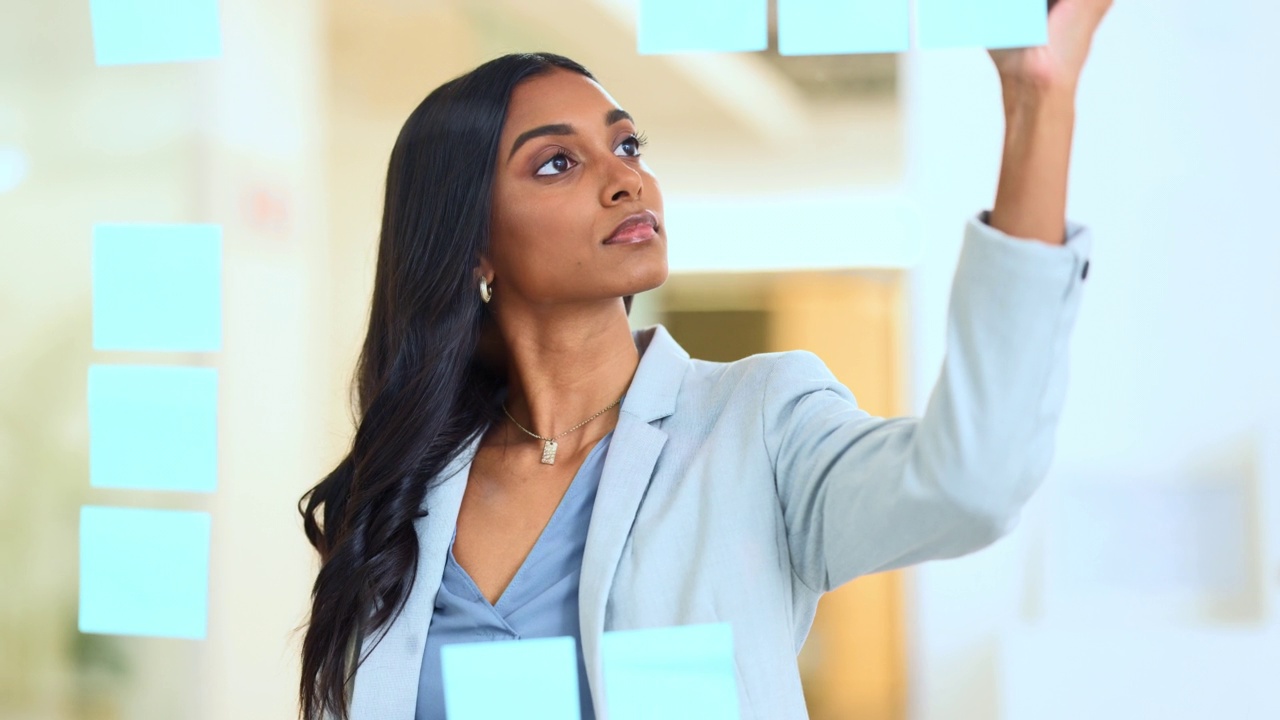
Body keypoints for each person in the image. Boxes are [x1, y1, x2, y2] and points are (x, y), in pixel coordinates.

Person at [297, 2, 1111, 718]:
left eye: (628, 145)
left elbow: (973, 483)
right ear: (473, 247)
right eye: (558, 162)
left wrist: (1039, 101)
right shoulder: (406, 492)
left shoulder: (758, 426)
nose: (625, 180)